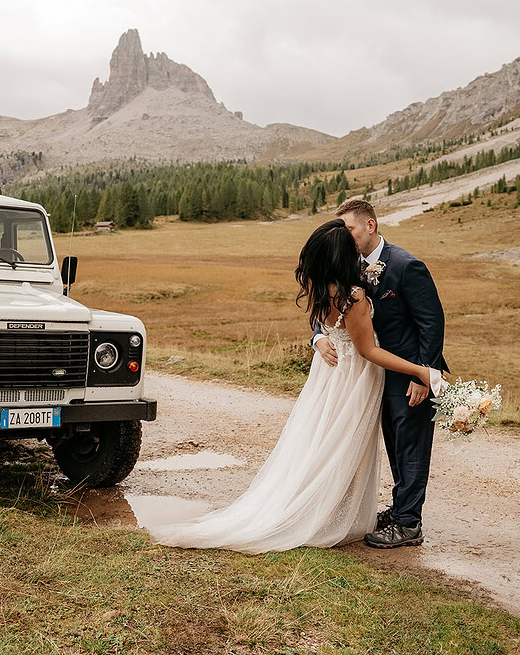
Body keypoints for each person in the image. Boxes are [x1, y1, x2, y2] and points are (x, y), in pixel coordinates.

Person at [149, 218, 434, 554]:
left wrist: (319, 338)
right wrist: (423, 371)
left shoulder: (322, 288)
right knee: (342, 445)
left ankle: (331, 508)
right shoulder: (352, 296)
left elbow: (335, 327)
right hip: (353, 376)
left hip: (330, 377)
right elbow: (368, 350)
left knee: (324, 442)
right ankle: (327, 514)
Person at [313, 199, 446, 549]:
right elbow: (326, 307)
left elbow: (431, 322)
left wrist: (424, 375)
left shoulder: (406, 265)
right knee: (393, 443)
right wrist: (317, 338)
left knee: (411, 446)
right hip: (372, 375)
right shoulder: (348, 265)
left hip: (408, 372)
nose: (346, 236)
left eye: (350, 229)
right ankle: (401, 508)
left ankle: (408, 523)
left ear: (370, 226)